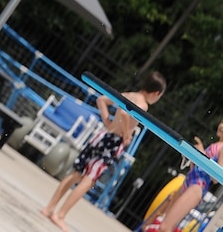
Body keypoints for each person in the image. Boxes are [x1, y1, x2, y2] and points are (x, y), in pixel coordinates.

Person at [40, 72, 167, 232]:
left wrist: (107, 120)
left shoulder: (129, 94)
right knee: (89, 180)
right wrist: (127, 135)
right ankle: (60, 215)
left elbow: (102, 100)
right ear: (156, 93)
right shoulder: (143, 105)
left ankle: (49, 208)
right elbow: (123, 113)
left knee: (77, 173)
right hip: (113, 142)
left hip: (102, 135)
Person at [144, 117, 223, 232]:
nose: (221, 126)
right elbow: (200, 168)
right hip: (190, 181)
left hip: (197, 187)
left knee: (165, 227)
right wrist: (195, 158)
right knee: (162, 222)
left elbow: (217, 177)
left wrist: (202, 155)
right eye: (221, 122)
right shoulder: (217, 144)